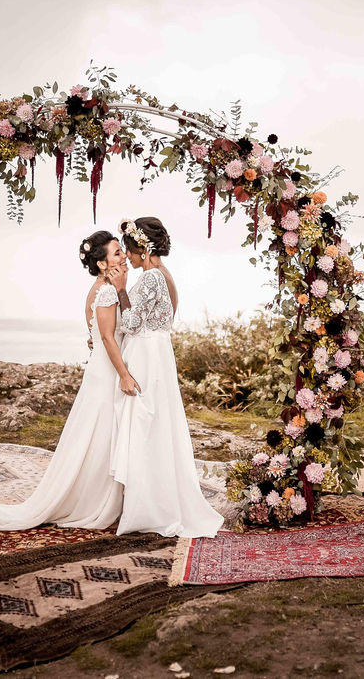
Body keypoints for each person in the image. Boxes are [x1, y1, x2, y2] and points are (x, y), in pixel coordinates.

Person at [0, 231, 129, 530]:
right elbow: (106, 338)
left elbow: (95, 337)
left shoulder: (98, 289)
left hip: (99, 369)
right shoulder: (107, 292)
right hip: (107, 371)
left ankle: (98, 493)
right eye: (117, 253)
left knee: (97, 434)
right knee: (103, 434)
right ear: (103, 263)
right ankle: (95, 499)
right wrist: (125, 374)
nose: (124, 257)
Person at [105, 217, 225, 538]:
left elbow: (130, 322)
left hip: (145, 356)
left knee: (144, 426)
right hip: (158, 355)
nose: (127, 257)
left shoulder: (148, 279)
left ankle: (149, 507)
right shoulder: (165, 277)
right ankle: (155, 498)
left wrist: (119, 290)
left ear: (143, 249)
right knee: (157, 425)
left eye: (130, 251)